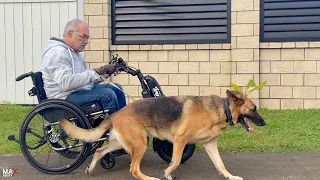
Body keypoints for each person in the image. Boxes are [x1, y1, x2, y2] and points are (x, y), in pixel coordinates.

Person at [40, 19, 126, 117]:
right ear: (70, 33)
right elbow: (65, 83)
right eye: (83, 36)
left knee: (117, 89)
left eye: (88, 38)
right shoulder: (57, 53)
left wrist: (105, 73)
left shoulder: (74, 53)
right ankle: (111, 128)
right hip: (63, 97)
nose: (86, 42)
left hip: (76, 91)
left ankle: (124, 125)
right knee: (107, 94)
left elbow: (85, 79)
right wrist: (95, 72)